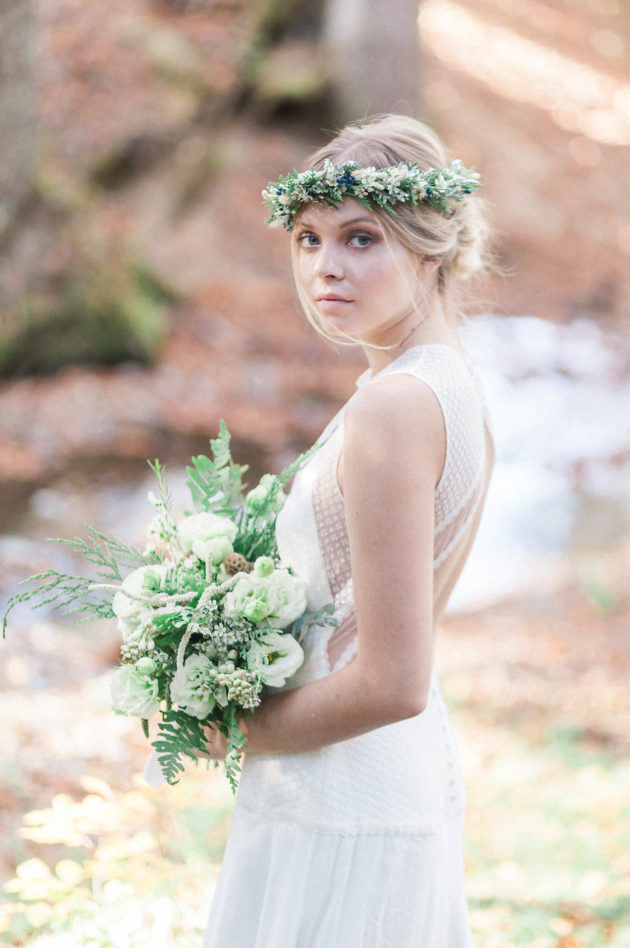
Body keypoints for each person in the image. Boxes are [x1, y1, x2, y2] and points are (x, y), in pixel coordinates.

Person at [203, 113, 494, 947]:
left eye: (361, 239)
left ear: (429, 249)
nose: (325, 266)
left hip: (342, 800)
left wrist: (240, 728)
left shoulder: (396, 407)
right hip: (379, 784)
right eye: (307, 238)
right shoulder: (444, 382)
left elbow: (394, 679)